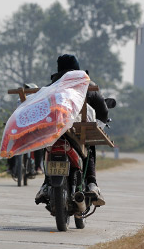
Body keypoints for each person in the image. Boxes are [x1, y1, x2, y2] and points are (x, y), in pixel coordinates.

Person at [36, 54, 108, 206]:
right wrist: (101, 121)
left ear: (59, 69)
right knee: (89, 146)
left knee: (47, 146)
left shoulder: (52, 85)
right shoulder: (87, 84)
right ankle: (91, 183)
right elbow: (102, 109)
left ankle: (45, 184)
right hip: (78, 130)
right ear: (77, 68)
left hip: (56, 129)